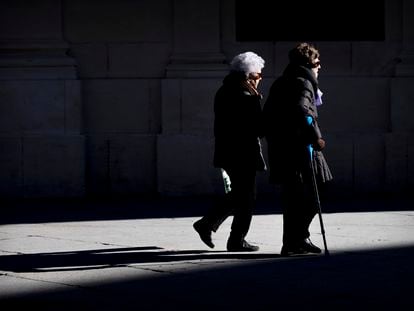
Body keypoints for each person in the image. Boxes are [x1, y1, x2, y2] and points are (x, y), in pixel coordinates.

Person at [263, 42, 333, 256]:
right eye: (317, 62)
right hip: (301, 149)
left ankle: (295, 241)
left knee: (293, 197)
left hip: (283, 148)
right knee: (319, 189)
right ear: (308, 63)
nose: (320, 66)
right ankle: (298, 238)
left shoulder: (282, 81)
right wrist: (316, 138)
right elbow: (302, 109)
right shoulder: (303, 82)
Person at [193, 51, 266, 252]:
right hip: (243, 154)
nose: (260, 79)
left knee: (240, 194)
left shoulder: (225, 90)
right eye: (258, 75)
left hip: (228, 152)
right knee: (246, 196)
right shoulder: (245, 95)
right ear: (248, 75)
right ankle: (231, 237)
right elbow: (258, 128)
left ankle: (211, 225)